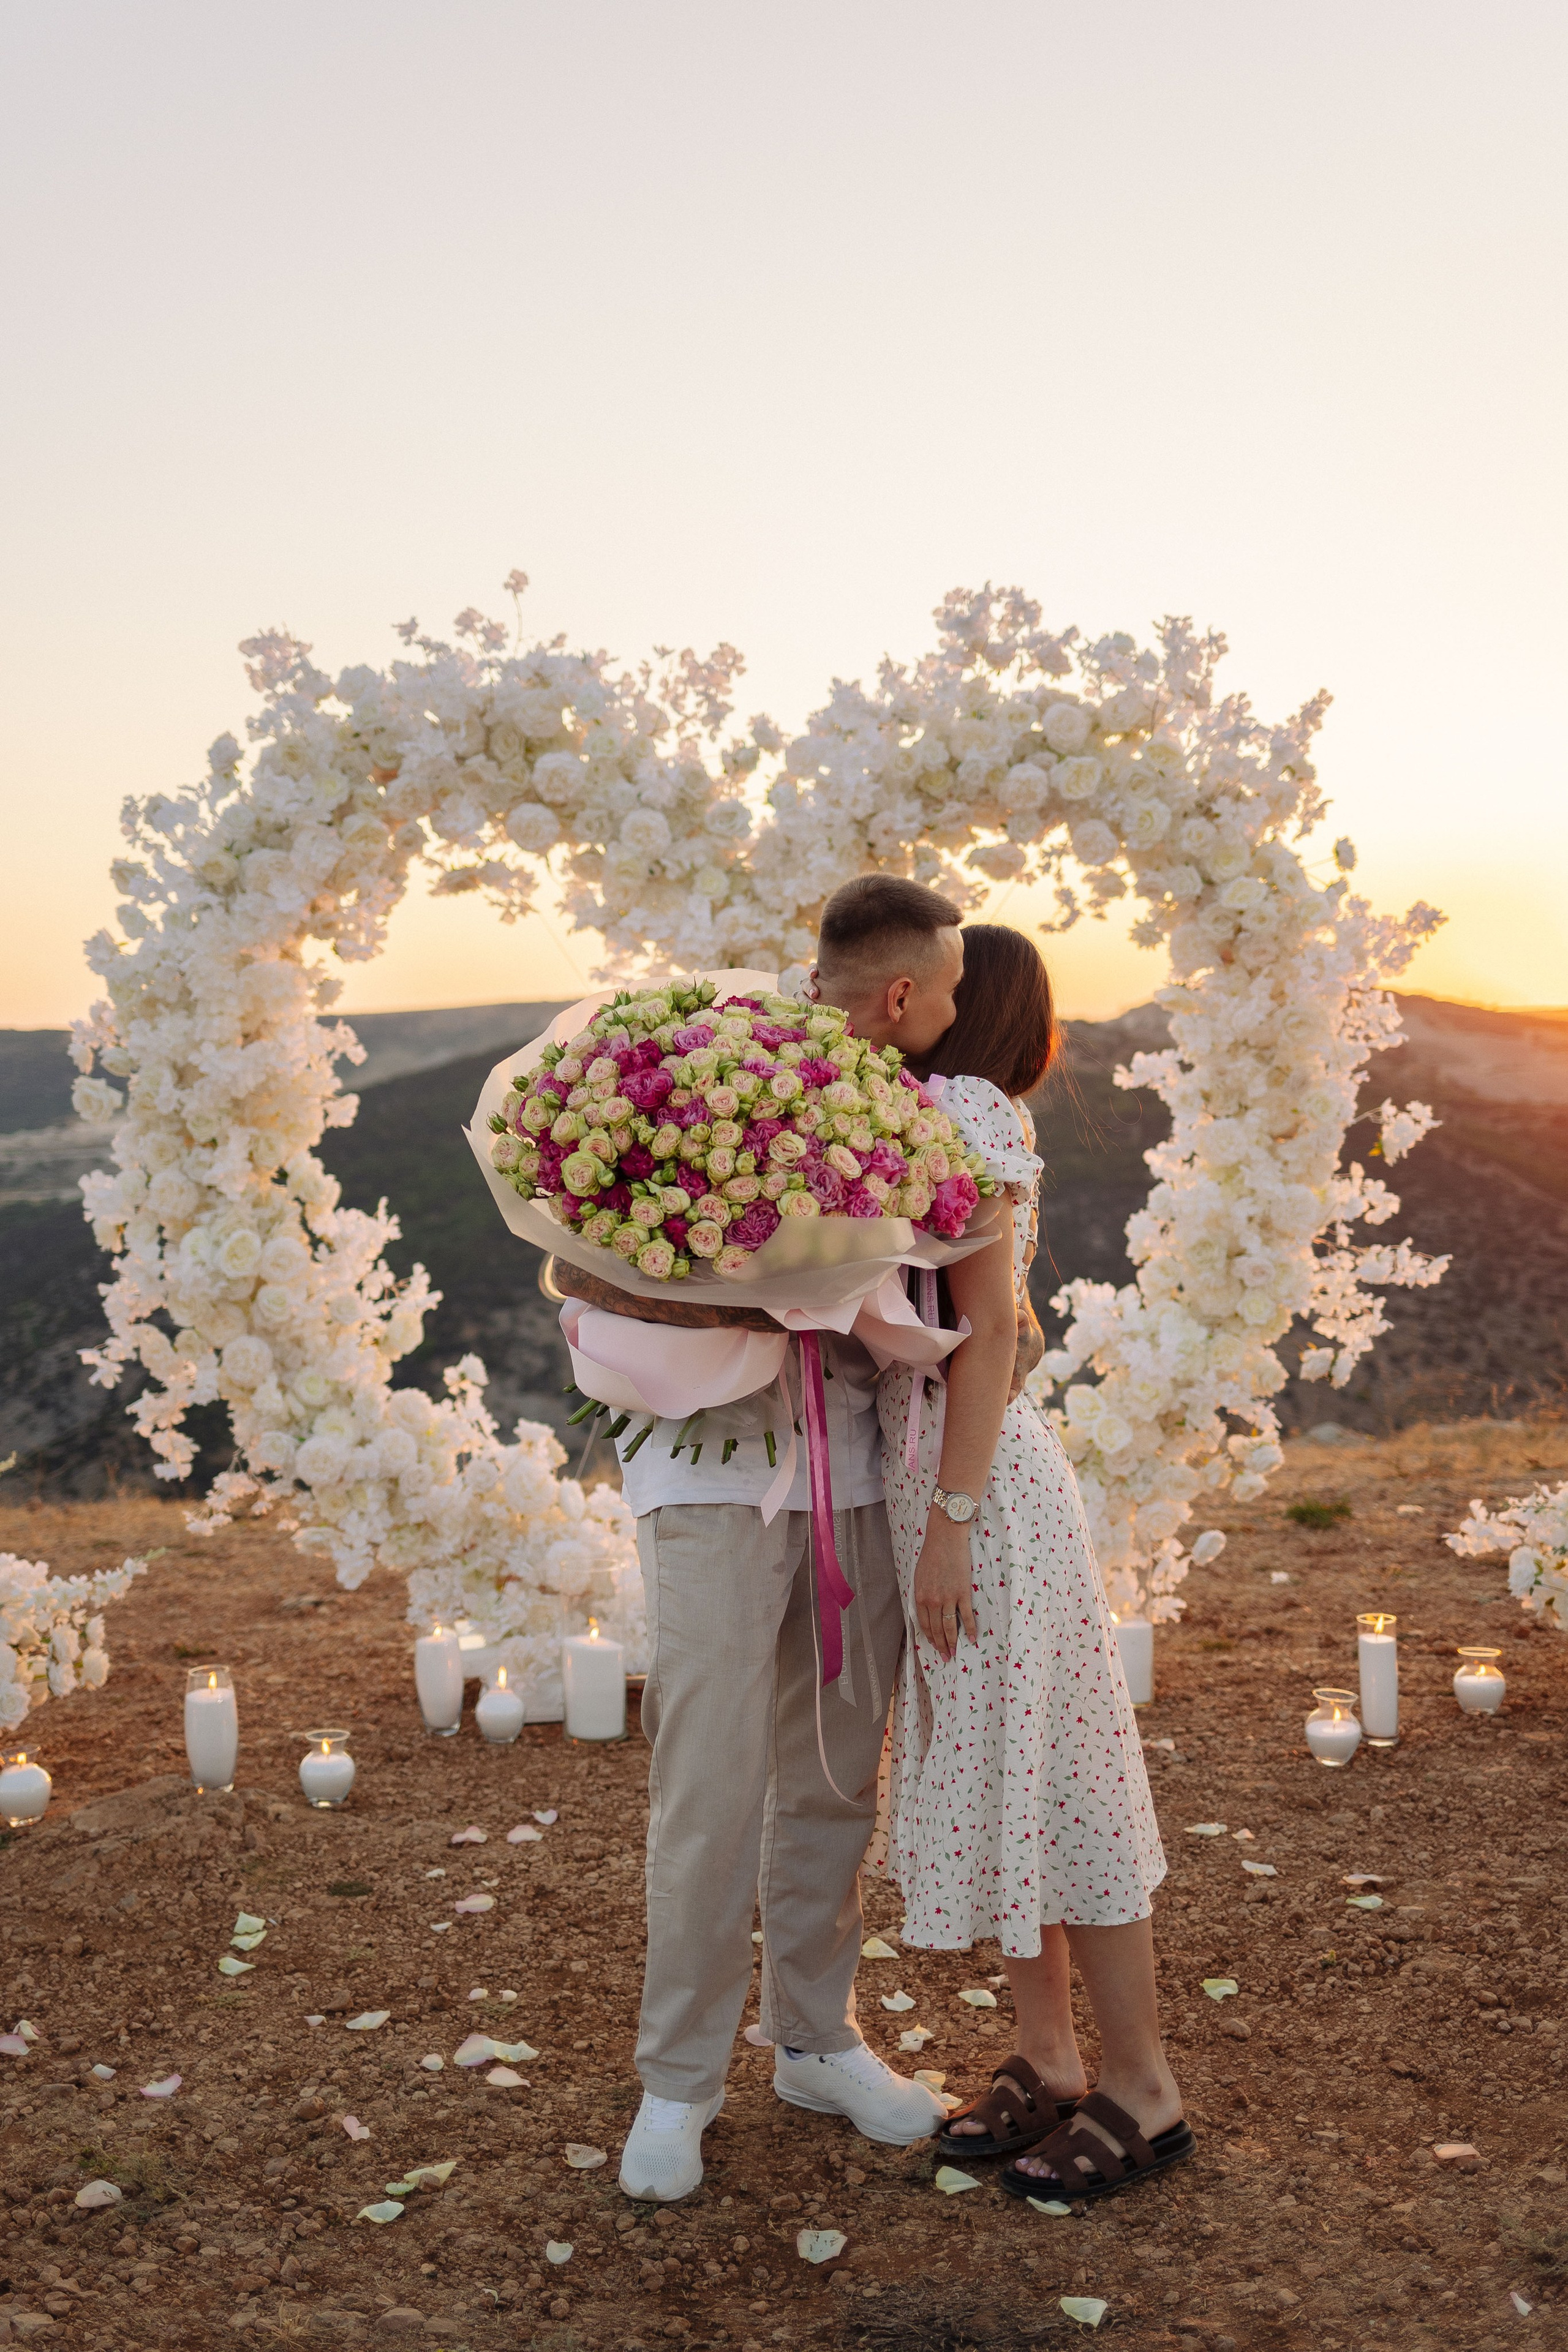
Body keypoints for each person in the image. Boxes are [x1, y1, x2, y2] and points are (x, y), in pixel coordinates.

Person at [590, 875, 971, 2203]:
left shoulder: (907, 1120)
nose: (955, 1010)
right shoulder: (703, 1072)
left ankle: (812, 2037)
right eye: (952, 986)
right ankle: (676, 2080)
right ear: (905, 991)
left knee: (831, 1772)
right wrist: (711, 1251)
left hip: (857, 1472)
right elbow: (583, 1255)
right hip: (706, 1474)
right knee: (708, 1783)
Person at [864, 921, 1194, 2203]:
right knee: (1005, 1776)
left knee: (1061, 1779)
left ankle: (1145, 2093)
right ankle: (1047, 2057)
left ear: (968, 1006)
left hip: (981, 1496)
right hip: (933, 1484)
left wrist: (947, 1520)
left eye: (938, 986)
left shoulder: (968, 1109)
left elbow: (990, 1326)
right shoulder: (921, 1113)